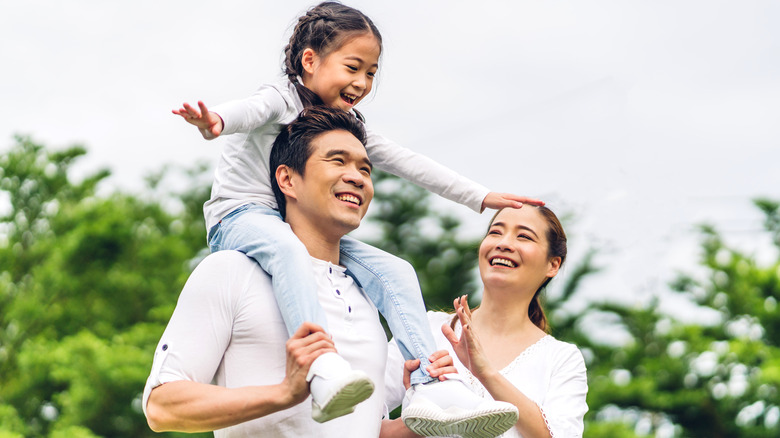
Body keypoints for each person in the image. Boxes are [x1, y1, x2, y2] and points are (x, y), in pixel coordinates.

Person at [171, 0, 539, 428]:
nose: (362, 81)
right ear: (309, 61)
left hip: (289, 222)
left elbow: (407, 161)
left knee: (395, 270)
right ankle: (321, 367)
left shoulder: (344, 125)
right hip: (240, 217)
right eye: (353, 67)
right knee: (288, 250)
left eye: (371, 72)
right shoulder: (279, 97)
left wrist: (481, 196)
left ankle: (430, 382)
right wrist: (216, 121)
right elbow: (248, 112)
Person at [143, 106, 518, 437]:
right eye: (337, 161)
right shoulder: (231, 271)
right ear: (287, 180)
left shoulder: (370, 294)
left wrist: (429, 421)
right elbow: (162, 407)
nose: (357, 177)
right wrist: (284, 393)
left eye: (365, 169)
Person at [382, 206, 589, 438]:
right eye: (495, 232)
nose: (504, 243)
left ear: (553, 265)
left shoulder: (561, 359)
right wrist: (421, 417)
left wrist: (485, 372)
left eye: (524, 236)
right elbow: (354, 422)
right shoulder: (426, 329)